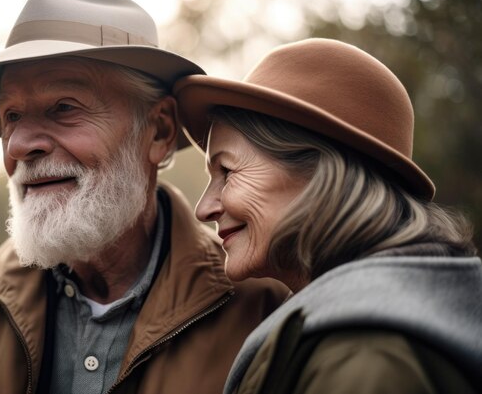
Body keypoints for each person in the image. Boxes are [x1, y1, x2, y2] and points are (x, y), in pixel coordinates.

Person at [0, 0, 290, 394]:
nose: (19, 146)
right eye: (12, 116)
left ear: (159, 131)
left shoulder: (264, 308)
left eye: (64, 107)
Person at [174, 38, 482, 394]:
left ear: (322, 176)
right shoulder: (344, 335)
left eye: (227, 171)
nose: (203, 208)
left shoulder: (364, 357)